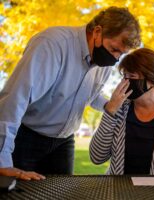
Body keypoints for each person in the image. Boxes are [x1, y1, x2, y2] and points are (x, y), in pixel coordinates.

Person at [0, 6, 141, 180]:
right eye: (114, 50)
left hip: (64, 142)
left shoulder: (103, 63)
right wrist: (2, 161)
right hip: (28, 138)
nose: (115, 59)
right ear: (97, 32)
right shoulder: (52, 44)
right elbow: (15, 99)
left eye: (121, 53)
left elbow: (90, 93)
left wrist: (108, 105)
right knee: (19, 192)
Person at [89, 48, 154, 175]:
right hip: (118, 190)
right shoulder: (120, 108)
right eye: (125, 76)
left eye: (132, 76)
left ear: (152, 77)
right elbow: (97, 157)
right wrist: (110, 110)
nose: (125, 82)